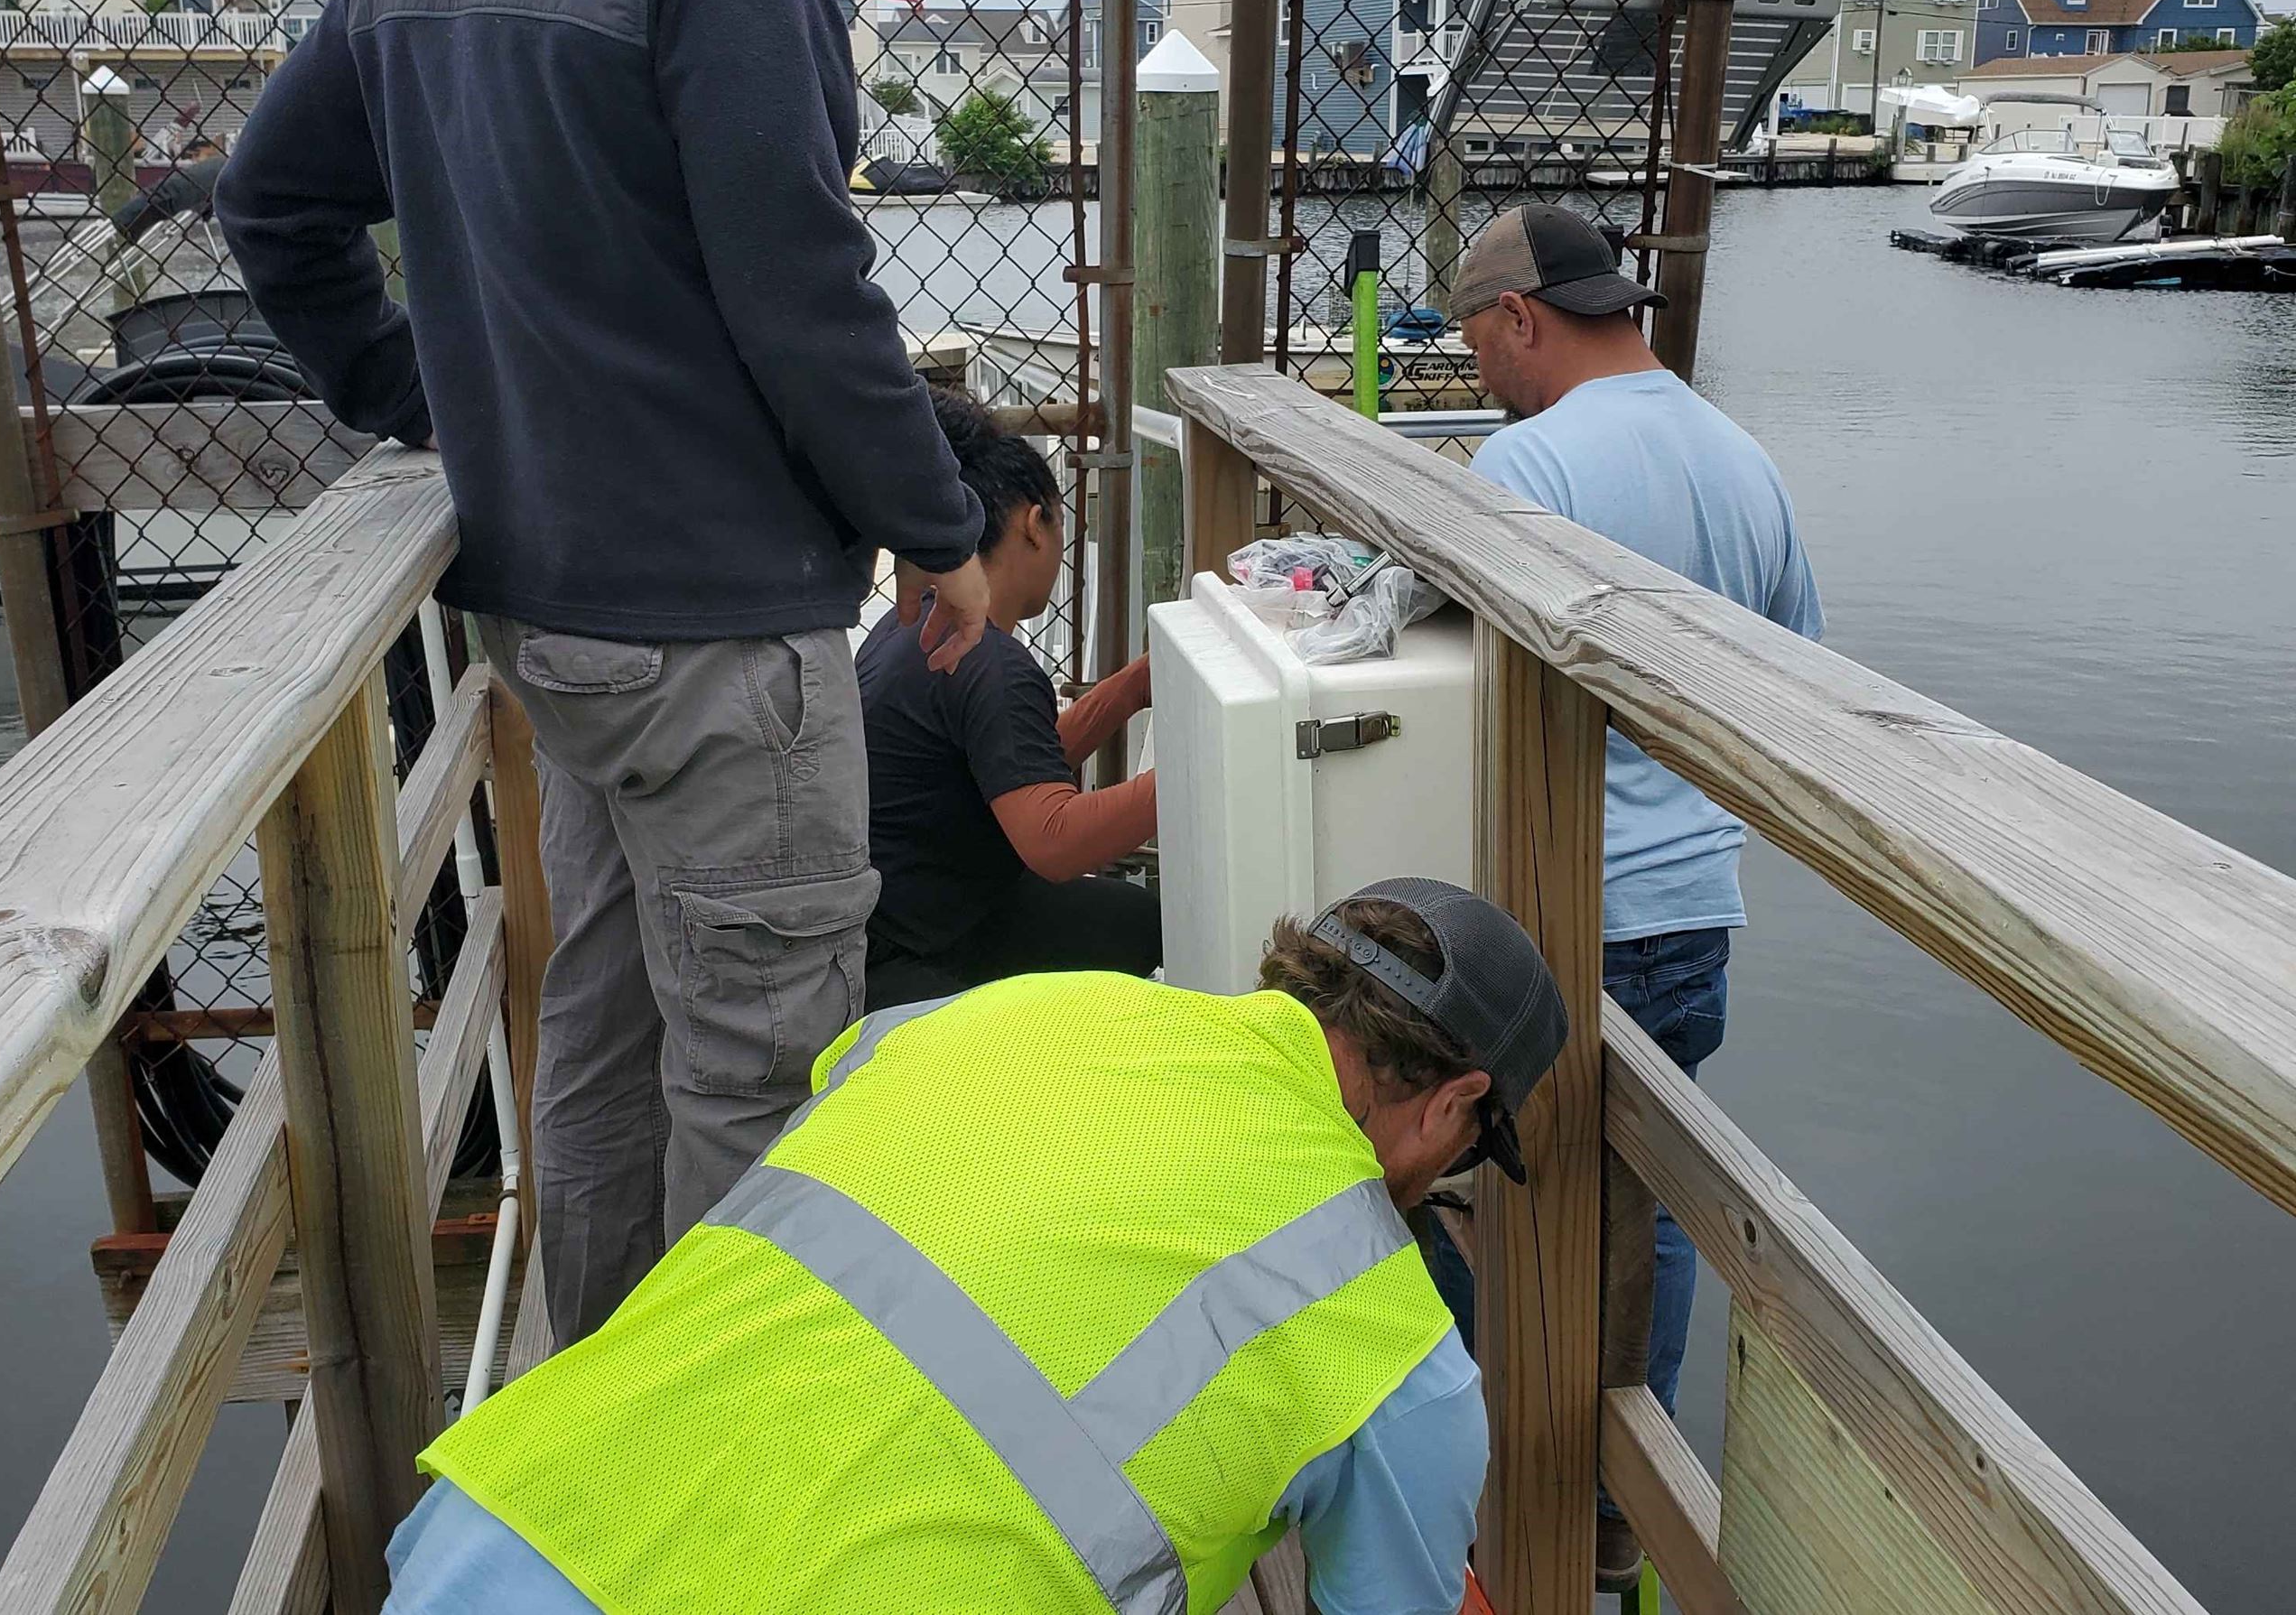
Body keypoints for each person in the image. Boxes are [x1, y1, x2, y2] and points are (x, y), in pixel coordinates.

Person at [218, 0, 992, 1350]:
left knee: (607, 1021)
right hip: (721, 629)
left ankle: (594, 1421)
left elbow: (273, 202)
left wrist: (424, 386)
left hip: (550, 622)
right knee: (765, 1069)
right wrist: (937, 528)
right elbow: (807, 301)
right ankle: (723, 1491)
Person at [381, 877, 1568, 1615]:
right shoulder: (1397, 1345)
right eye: (1466, 1151)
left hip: (501, 1537)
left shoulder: (1010, 1004)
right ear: (1453, 1100)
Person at [1449, 200, 1821, 1587]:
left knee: (1515, 1181)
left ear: (1521, 318)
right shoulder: (1746, 459)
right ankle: (1620, 1493)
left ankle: (1516, 1478)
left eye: (1475, 336)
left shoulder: (1523, 460)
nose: (1475, 365)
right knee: (1650, 1194)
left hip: (1564, 897)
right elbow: (1799, 670)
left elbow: (1469, 672)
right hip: (1695, 901)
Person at [858, 390, 1160, 1007]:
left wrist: (1130, 690)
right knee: (1154, 930)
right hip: (923, 958)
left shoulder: (914, 624)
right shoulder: (990, 660)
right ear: (1034, 522)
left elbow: (1019, 763)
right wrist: (1217, 763)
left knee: (1140, 920)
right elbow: (1054, 840)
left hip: (894, 922)